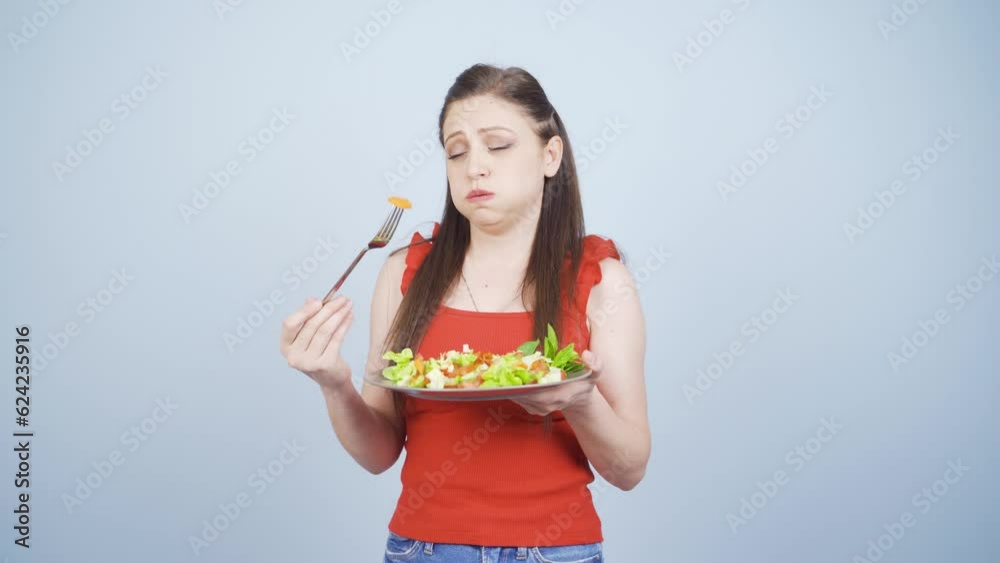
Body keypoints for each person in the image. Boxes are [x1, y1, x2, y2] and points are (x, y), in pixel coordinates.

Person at [279, 63, 650, 563]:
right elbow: (378, 454)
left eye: (497, 146)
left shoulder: (602, 282)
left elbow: (628, 470)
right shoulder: (404, 273)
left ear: (550, 154)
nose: (475, 165)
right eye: (457, 151)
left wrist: (581, 402)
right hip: (421, 549)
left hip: (558, 551)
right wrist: (334, 382)